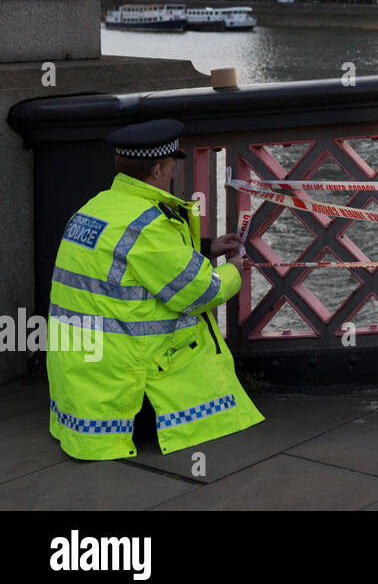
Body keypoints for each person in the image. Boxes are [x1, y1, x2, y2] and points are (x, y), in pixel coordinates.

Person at [46, 119, 263, 460]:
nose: (175, 174)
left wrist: (206, 248)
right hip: (123, 375)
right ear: (159, 168)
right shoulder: (148, 226)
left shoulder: (96, 207)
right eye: (172, 166)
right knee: (192, 332)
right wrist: (233, 272)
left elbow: (135, 263)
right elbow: (200, 291)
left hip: (83, 375)